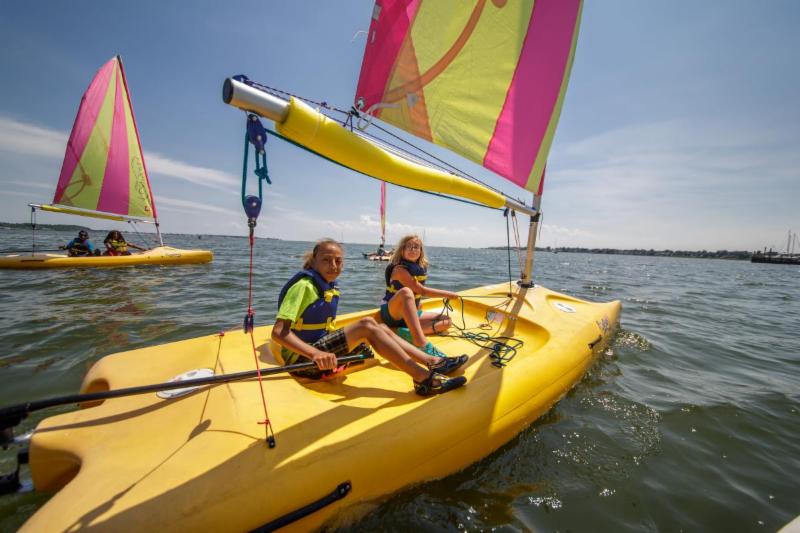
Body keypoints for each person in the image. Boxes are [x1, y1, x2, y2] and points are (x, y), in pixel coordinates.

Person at [271, 239, 467, 396]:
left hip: (322, 354)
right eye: (326, 260)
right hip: (303, 361)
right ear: (313, 261)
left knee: (379, 326)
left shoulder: (327, 285)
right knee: (366, 325)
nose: (333, 266)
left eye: (338, 261)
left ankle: (432, 361)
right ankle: (424, 379)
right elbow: (278, 332)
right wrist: (315, 354)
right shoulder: (304, 287)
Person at [381, 235, 457, 357]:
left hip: (408, 316)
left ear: (421, 251)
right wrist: (449, 295)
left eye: (416, 247)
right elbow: (422, 291)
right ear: (402, 250)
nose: (413, 249)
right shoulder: (399, 270)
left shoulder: (418, 268)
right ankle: (420, 342)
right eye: (409, 247)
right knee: (406, 292)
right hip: (392, 314)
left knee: (446, 321)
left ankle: (408, 333)